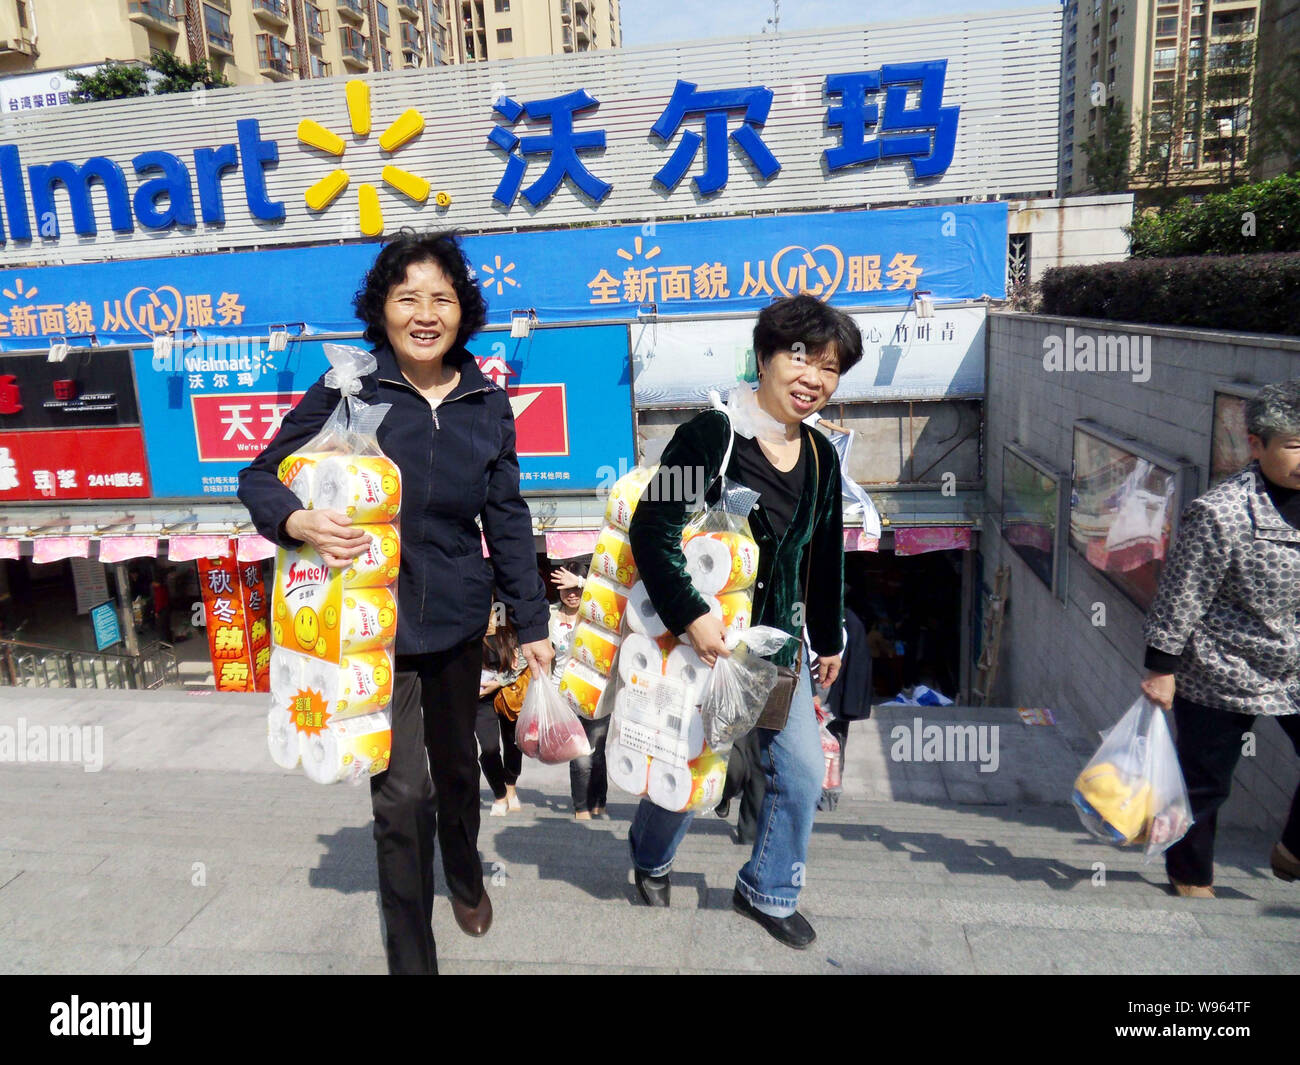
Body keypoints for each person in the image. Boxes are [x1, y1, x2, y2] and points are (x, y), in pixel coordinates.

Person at [238, 229, 553, 974]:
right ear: (379, 310)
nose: (424, 312)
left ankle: (466, 872)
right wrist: (296, 518)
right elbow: (259, 477)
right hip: (370, 631)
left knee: (456, 774)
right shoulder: (348, 388)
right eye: (406, 296)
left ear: (462, 311)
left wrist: (532, 620)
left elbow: (504, 516)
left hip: (455, 623)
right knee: (401, 797)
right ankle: (412, 956)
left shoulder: (486, 400)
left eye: (440, 297)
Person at [625, 293, 861, 949]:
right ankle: (649, 855)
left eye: (831, 367)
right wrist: (690, 614)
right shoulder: (713, 434)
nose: (814, 377)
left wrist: (830, 635)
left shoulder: (821, 456)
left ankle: (769, 888)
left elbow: (822, 554)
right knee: (693, 776)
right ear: (764, 357)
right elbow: (653, 528)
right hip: (708, 646)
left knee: (805, 772)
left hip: (777, 652)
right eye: (801, 358)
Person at [1141, 379, 1300, 897]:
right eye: (1295, 445)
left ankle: (1293, 848)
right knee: (1205, 782)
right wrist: (1162, 668)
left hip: (1295, 663)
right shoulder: (1222, 513)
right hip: (1222, 667)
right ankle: (1190, 880)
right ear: (1256, 445)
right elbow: (1182, 594)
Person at [550, 564, 610, 819]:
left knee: (596, 754)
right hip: (565, 694)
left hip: (598, 694)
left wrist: (583, 582)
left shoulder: (593, 612)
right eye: (567, 589)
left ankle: (599, 798)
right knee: (580, 754)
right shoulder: (550, 616)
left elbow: (610, 601)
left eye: (576, 588)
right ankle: (581, 805)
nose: (572, 594)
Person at [476, 605, 528, 817]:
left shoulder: (509, 628)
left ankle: (511, 785)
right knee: (489, 747)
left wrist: (499, 682)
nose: (489, 618)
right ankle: (499, 793)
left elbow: (524, 657)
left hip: (507, 693)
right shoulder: (466, 631)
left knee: (513, 743)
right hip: (480, 699)